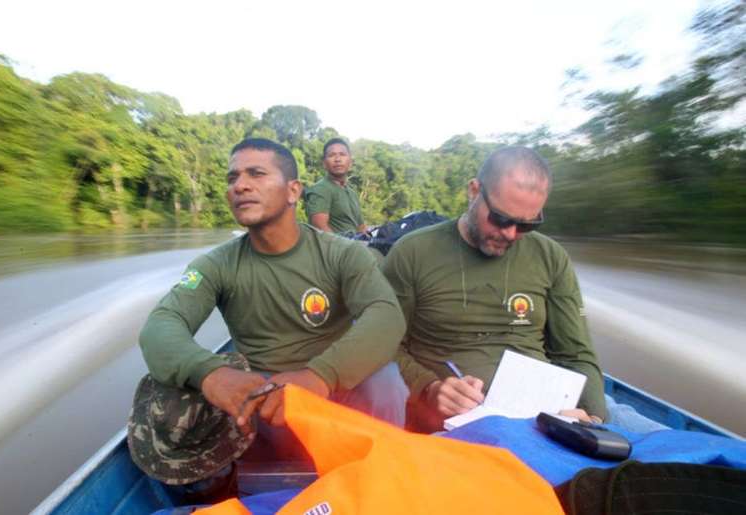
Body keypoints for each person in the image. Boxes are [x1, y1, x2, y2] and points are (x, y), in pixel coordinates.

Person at [128, 138, 408, 502]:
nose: (239, 185)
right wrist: (212, 374)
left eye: (256, 174)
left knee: (386, 378)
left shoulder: (343, 254)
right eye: (232, 179)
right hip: (256, 405)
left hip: (332, 397)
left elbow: (385, 316)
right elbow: (162, 325)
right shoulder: (216, 265)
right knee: (168, 387)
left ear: (293, 191)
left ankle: (377, 484)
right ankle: (219, 491)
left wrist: (320, 377)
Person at [382, 146, 665, 433]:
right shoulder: (413, 252)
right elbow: (383, 343)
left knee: (681, 451)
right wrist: (429, 387)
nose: (510, 234)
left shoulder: (550, 257)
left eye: (527, 225)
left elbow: (576, 354)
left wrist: (593, 420)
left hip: (554, 409)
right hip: (464, 421)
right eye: (501, 219)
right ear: (474, 191)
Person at [304, 138, 368, 235]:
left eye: (342, 154)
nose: (338, 159)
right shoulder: (321, 189)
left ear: (350, 162)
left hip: (357, 245)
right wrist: (347, 248)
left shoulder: (352, 193)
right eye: (332, 155)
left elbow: (361, 227)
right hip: (336, 248)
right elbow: (320, 228)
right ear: (324, 164)